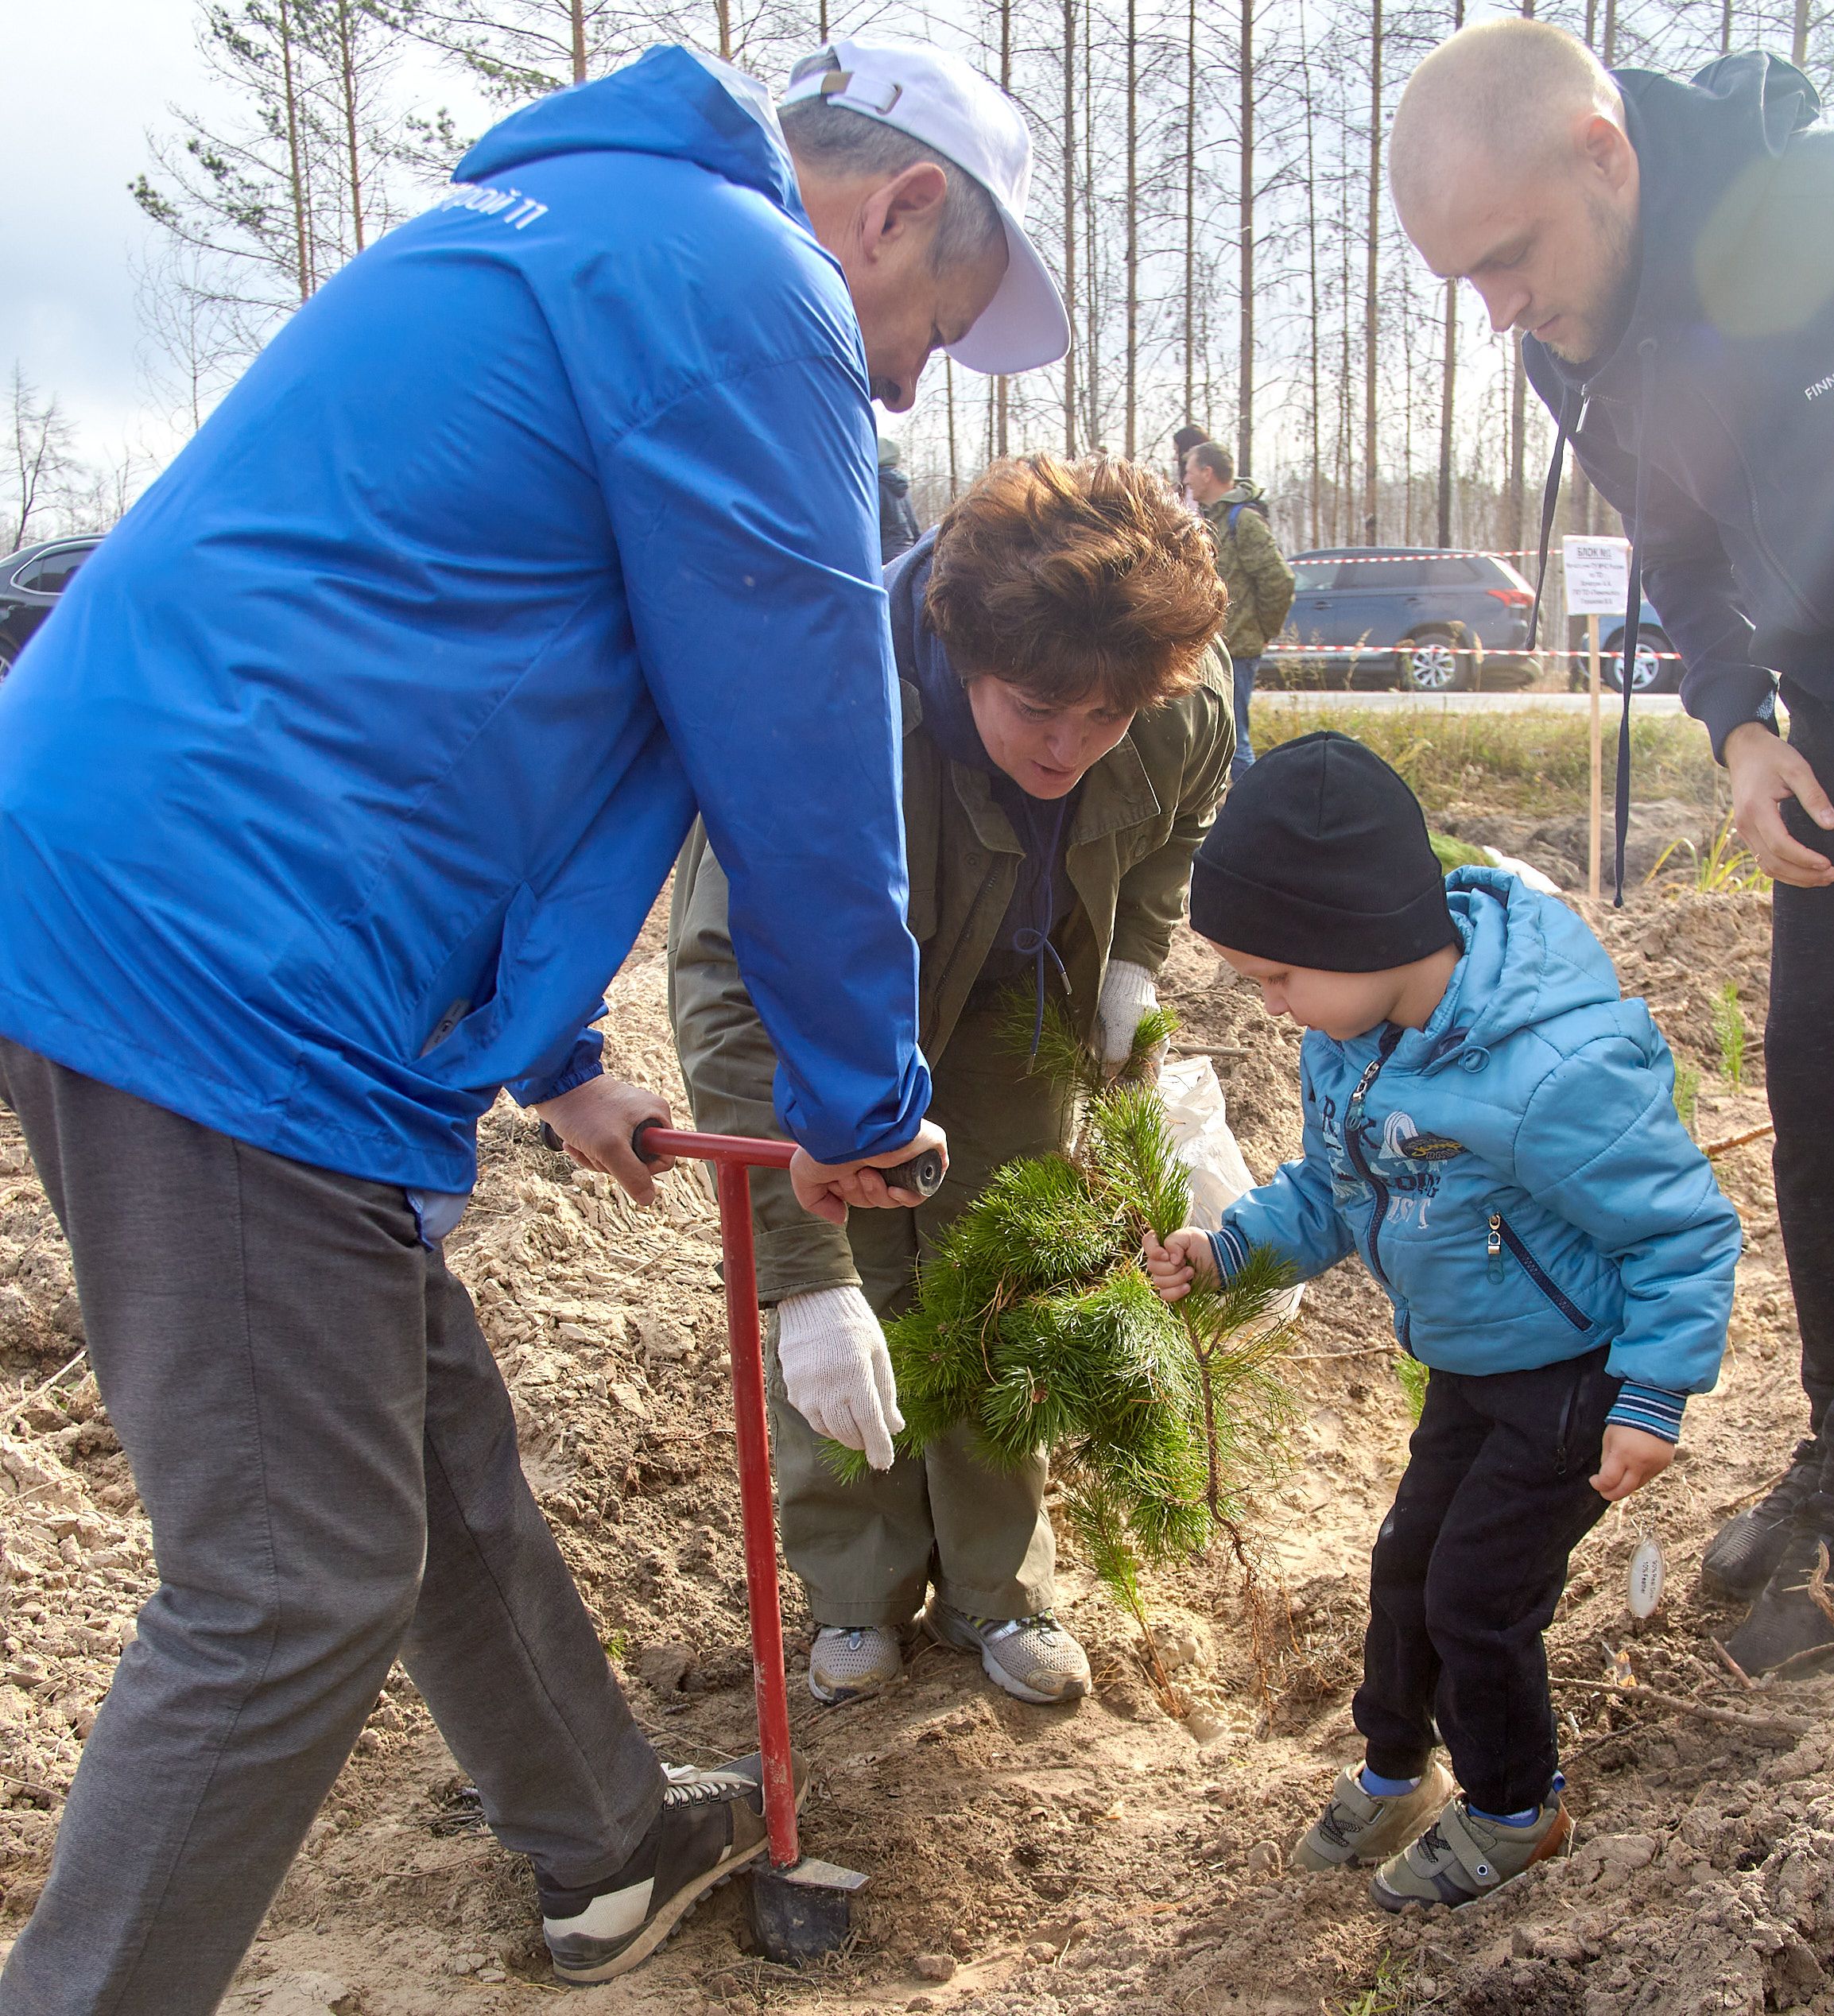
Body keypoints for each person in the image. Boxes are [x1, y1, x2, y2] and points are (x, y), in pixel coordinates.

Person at [0, 34, 1068, 2010]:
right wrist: (859, 1099)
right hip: (227, 943)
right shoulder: (746, 288)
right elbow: (795, 743)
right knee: (288, 1583)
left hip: (205, 885)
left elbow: (501, 682)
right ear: (898, 204)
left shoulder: (586, 227)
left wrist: (559, 1057)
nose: (910, 377)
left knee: (426, 1445)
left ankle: (605, 1835)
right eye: (933, 322)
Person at [1386, 16, 1834, 1674]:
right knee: (1822, 1073)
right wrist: (1740, 720)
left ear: (1602, 156)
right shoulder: (1578, 333)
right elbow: (1676, 542)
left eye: (1508, 258)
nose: (1500, 311)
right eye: (1462, 281)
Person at [673, 454, 1232, 1708]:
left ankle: (1000, 1588)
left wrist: (1131, 961)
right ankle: (857, 1591)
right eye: (1038, 708)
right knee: (861, 1286)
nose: (1071, 746)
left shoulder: (1173, 702)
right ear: (961, 644)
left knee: (1002, 1276)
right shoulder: (825, 704)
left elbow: (1183, 819)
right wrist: (801, 1281)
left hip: (1018, 999)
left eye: (1107, 721)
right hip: (843, 995)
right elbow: (726, 980)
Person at [1143, 733, 1738, 1909]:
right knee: (1406, 1565)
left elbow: (1683, 1231)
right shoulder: (1348, 1040)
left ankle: (1519, 1808)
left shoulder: (1549, 1072)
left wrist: (1655, 1395)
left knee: (1477, 1596)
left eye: (1276, 975)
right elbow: (1328, 1189)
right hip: (1470, 1365)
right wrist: (1229, 1250)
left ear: (1357, 935)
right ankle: (1394, 1766)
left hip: (1574, 1379)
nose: (1272, 1006)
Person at [1183, 440, 1294, 779]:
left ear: (1207, 472)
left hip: (1238, 651)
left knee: (1234, 741)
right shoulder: (1208, 521)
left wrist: (1262, 633)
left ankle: (1255, 820)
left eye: (1189, 471)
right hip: (1210, 648)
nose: (1186, 479)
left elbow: (1279, 580)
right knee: (1211, 740)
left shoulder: (1243, 521)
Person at [878, 435, 921, 563]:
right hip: (907, 555)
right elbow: (914, 526)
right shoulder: (902, 486)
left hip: (885, 559)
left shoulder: (877, 486)